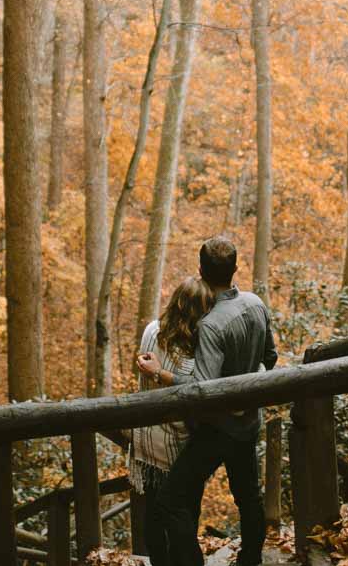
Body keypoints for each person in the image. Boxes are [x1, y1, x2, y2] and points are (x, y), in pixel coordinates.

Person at [138, 236, 278, 566]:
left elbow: (202, 389)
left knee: (170, 500)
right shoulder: (256, 304)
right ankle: (251, 560)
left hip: (217, 430)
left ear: (200, 270)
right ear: (235, 269)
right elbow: (269, 359)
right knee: (248, 498)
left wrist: (160, 373)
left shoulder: (211, 325)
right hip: (249, 423)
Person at [130, 276, 216, 560]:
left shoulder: (152, 331)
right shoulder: (194, 352)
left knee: (154, 514)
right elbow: (196, 393)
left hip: (145, 443)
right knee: (185, 511)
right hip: (178, 446)